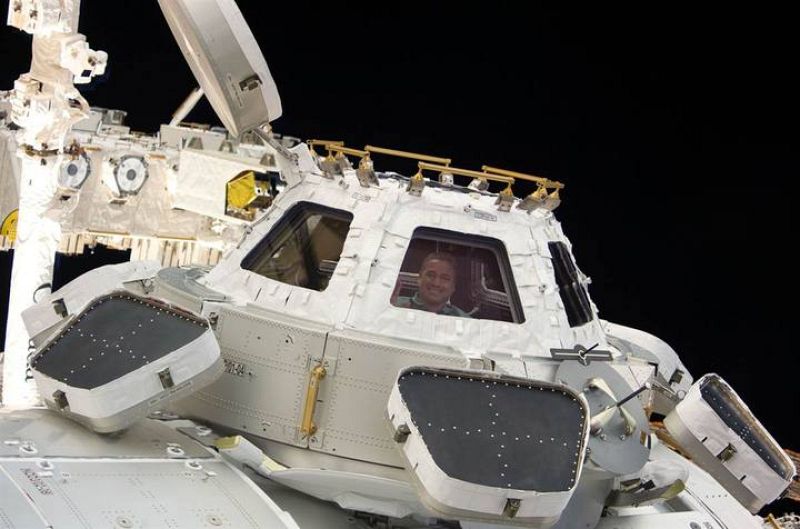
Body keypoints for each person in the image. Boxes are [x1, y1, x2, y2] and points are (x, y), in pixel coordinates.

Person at [394, 252, 471, 317]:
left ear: (453, 286)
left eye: (445, 278)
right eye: (431, 275)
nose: (436, 283)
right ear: (419, 278)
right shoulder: (394, 305)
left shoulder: (465, 321)